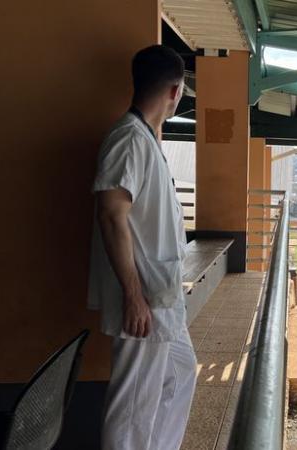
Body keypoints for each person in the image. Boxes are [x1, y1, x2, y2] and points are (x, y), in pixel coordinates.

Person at [87, 45, 196, 450]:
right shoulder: (128, 138)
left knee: (181, 374)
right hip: (143, 296)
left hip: (160, 294)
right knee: (133, 402)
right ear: (175, 91)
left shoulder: (146, 139)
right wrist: (133, 297)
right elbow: (111, 215)